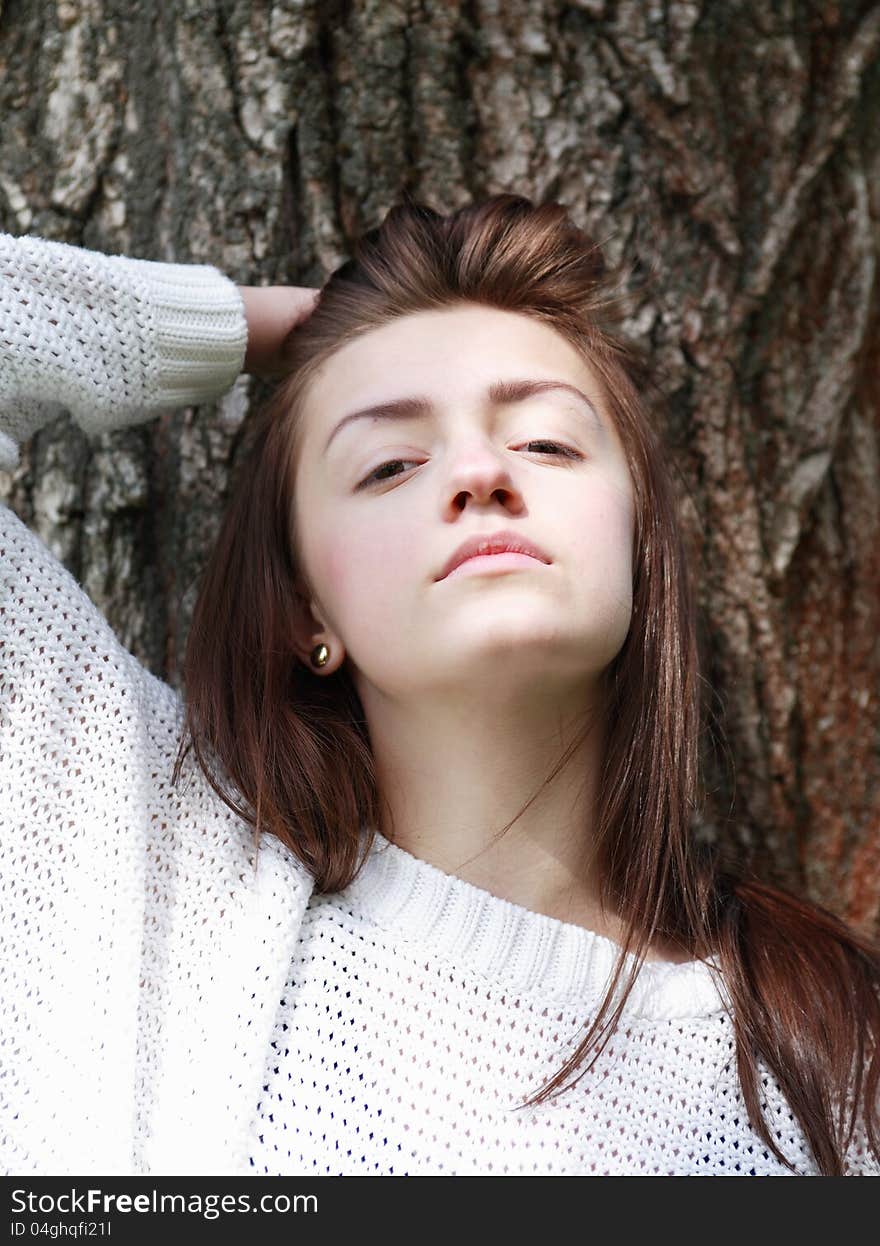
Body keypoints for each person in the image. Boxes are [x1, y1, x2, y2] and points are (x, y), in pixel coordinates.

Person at [0, 195, 877, 1177]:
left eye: (546, 441)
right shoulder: (151, 882)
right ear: (304, 611)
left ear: (637, 546)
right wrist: (260, 330)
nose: (477, 471)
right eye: (388, 464)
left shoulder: (827, 1056)